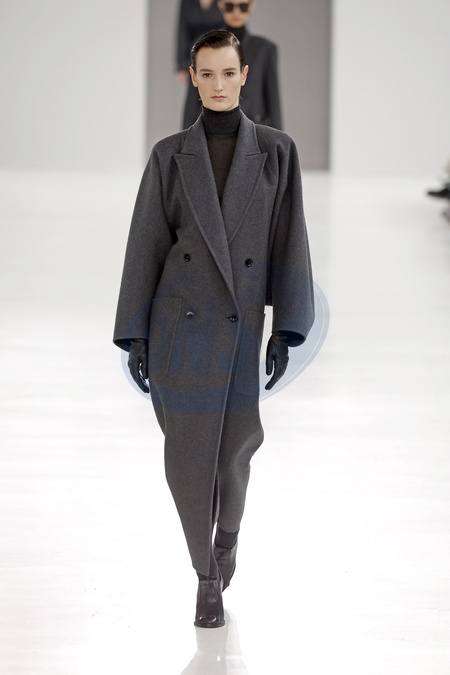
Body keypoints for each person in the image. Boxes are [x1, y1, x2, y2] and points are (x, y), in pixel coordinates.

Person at [113, 30, 314, 628]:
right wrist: (135, 333)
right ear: (194, 78)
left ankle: (227, 537)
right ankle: (205, 576)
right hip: (180, 326)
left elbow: (290, 241)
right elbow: (145, 244)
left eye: (229, 73)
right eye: (207, 74)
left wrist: (287, 327)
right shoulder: (169, 155)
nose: (219, 85)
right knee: (187, 457)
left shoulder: (276, 152)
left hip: (241, 322)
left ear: (245, 75)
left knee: (234, 453)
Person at [182, 0, 282, 130]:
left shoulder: (265, 49)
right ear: (221, 5)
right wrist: (186, 136)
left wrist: (278, 139)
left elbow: (273, 99)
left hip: (254, 129)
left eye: (243, 7)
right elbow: (192, 99)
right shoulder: (202, 47)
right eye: (230, 6)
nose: (236, 12)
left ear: (251, 6)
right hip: (210, 129)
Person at [176, 0, 223, 85]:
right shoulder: (187, 2)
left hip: (220, 54)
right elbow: (183, 31)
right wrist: (181, 64)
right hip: (194, 57)